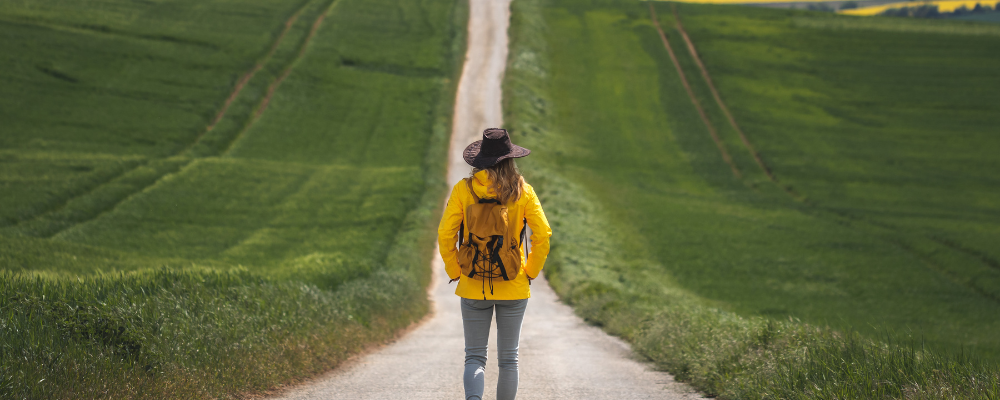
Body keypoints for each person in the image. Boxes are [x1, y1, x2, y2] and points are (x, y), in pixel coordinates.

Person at [438, 128, 552, 400]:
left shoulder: (464, 190)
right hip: (513, 283)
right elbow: (543, 234)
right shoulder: (523, 191)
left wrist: (456, 270)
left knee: (474, 357)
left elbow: (446, 234)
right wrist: (531, 271)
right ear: (510, 159)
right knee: (508, 360)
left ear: (480, 160)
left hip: (473, 284)